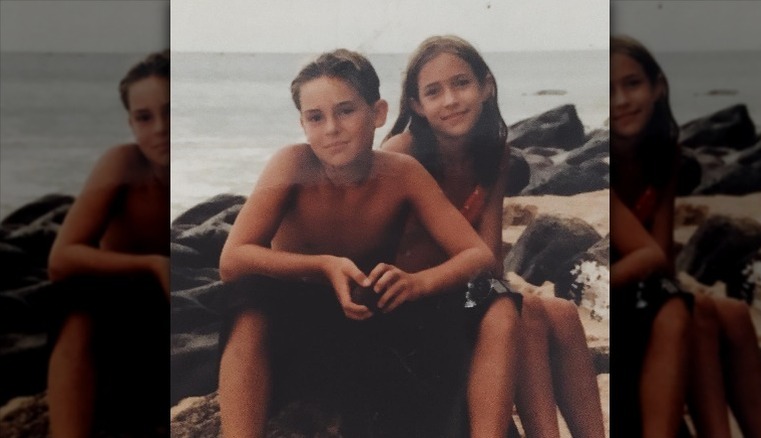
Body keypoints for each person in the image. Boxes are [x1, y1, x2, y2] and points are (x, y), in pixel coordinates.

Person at [217, 48, 496, 438]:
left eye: (346, 111)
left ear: (378, 113)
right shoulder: (292, 165)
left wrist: (419, 283)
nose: (331, 128)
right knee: (249, 301)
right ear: (303, 124)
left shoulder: (402, 174)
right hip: (293, 319)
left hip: (359, 320)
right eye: (316, 117)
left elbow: (476, 253)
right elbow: (232, 260)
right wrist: (323, 265)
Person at [382, 35, 605, 438]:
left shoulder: (494, 153)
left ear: (486, 86)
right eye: (434, 91)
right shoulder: (403, 154)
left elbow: (489, 256)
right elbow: (375, 248)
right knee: (529, 314)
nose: (450, 100)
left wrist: (494, 288)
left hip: (456, 292)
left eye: (461, 84)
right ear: (416, 104)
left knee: (562, 313)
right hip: (408, 304)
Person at [610, 35, 761, 438]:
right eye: (608, 90)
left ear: (658, 87)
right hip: (613, 288)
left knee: (731, 313)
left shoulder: (664, 150)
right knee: (693, 310)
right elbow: (646, 255)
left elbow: (662, 255)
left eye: (632, 84)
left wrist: (677, 288)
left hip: (643, 286)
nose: (620, 101)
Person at [46, 50, 170, 437]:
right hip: (118, 293)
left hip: (163, 305)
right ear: (131, 123)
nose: (161, 128)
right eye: (144, 117)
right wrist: (153, 264)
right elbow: (61, 258)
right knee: (81, 308)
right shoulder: (124, 164)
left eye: (173, 111)